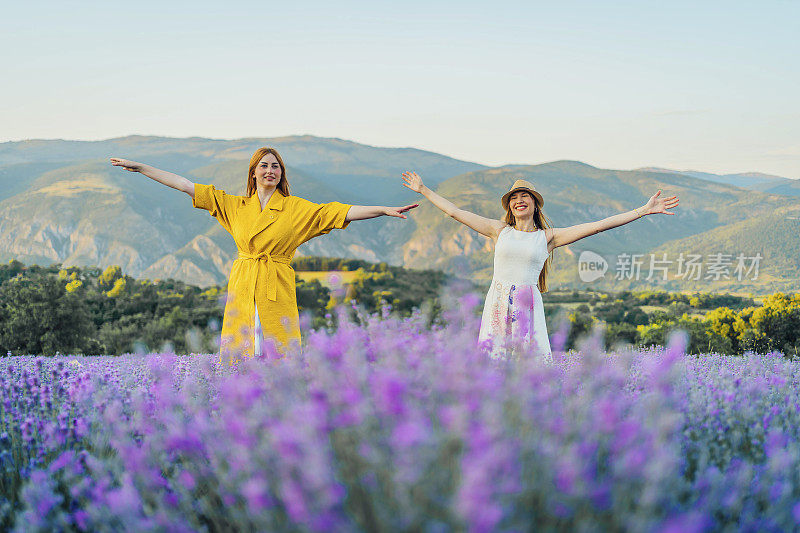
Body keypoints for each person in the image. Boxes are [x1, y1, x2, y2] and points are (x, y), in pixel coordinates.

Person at [110, 148, 417, 362]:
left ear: (281, 173)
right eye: (264, 166)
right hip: (244, 284)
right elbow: (185, 186)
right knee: (241, 351)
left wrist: (382, 210)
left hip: (276, 285)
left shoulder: (295, 208)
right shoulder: (234, 206)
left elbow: (339, 211)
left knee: (277, 352)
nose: (270, 170)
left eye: (275, 166)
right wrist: (141, 168)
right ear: (253, 173)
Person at [401, 172, 679, 361]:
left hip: (527, 304)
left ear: (534, 204)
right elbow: (454, 212)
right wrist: (423, 189)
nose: (519, 200)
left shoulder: (547, 238)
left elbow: (597, 226)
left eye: (525, 196)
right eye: (514, 198)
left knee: (527, 360)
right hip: (497, 301)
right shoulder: (499, 230)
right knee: (495, 359)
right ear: (510, 207)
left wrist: (642, 211)